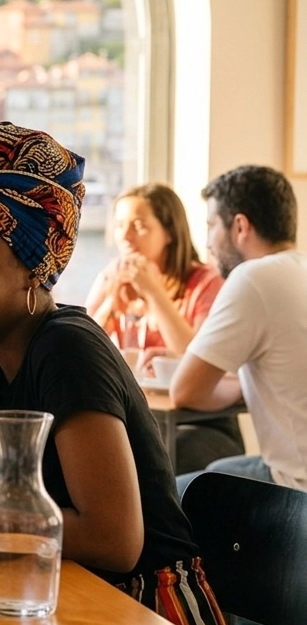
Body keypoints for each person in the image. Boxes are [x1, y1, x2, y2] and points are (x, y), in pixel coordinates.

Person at [0, 122, 228, 625]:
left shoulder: (66, 350)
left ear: (30, 269)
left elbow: (116, 540)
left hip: (147, 610)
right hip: (51, 590)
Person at [171, 166, 304, 625]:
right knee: (223, 467)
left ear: (241, 226)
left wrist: (232, 384)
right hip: (290, 468)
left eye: (211, 225)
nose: (208, 242)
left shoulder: (254, 278)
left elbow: (187, 390)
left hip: (298, 488)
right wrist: (246, 383)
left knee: (172, 498)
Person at [85, 183, 240, 472]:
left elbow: (196, 354)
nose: (126, 236)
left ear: (169, 232)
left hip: (198, 423)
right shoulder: (111, 278)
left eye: (139, 225)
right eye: (120, 225)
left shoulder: (206, 282)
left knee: (156, 456)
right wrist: (109, 301)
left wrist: (153, 293)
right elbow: (83, 350)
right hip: (135, 419)